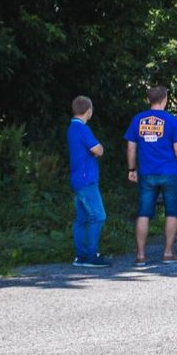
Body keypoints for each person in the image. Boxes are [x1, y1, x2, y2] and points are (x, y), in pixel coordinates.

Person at [124, 85, 177, 265]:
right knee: (172, 213)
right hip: (170, 173)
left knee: (143, 213)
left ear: (149, 100)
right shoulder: (172, 121)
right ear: (165, 99)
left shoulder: (138, 120)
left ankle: (141, 256)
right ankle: (168, 253)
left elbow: (131, 147)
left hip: (146, 174)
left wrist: (132, 169)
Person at [66, 95, 110, 268]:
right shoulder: (83, 129)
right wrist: (97, 151)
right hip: (87, 179)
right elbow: (98, 150)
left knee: (82, 218)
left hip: (77, 178)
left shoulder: (71, 128)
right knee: (98, 215)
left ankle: (80, 255)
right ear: (89, 111)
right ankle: (90, 255)